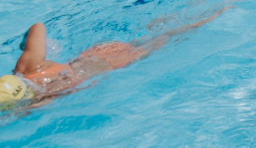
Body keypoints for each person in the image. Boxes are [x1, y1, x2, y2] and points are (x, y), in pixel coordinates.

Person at [1, 9, 228, 110]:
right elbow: (38, 26)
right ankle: (207, 12)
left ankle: (218, 12)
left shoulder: (44, 98)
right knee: (157, 34)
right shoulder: (27, 66)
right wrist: (24, 45)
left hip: (114, 62)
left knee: (172, 35)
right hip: (95, 51)